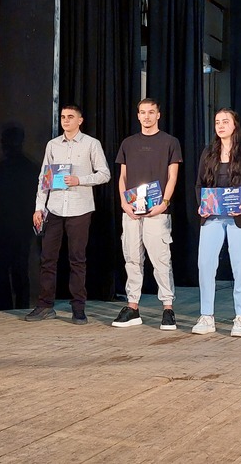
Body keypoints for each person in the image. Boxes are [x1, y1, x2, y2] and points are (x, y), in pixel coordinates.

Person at [26, 105, 111, 325]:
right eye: (63, 117)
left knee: (77, 259)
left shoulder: (91, 144)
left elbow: (104, 174)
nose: (65, 120)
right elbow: (44, 178)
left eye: (70, 117)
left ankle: (78, 308)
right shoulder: (53, 145)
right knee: (48, 258)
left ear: (80, 120)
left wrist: (79, 180)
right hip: (54, 208)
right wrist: (39, 207)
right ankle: (45, 305)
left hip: (80, 208)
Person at [191, 109, 241, 337]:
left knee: (240, 266)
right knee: (205, 264)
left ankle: (240, 317)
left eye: (225, 121)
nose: (221, 126)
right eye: (217, 122)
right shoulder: (208, 152)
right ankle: (206, 315)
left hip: (239, 218)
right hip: (212, 216)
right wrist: (202, 205)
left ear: (235, 125)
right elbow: (199, 185)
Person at [111, 98, 182, 330]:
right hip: (132, 211)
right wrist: (124, 203)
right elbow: (122, 176)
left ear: (158, 115)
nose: (147, 116)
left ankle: (168, 308)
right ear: (138, 115)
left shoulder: (170, 142)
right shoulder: (128, 143)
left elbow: (172, 177)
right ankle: (133, 307)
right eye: (143, 112)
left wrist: (164, 203)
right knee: (132, 259)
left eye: (151, 112)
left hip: (157, 212)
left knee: (161, 260)